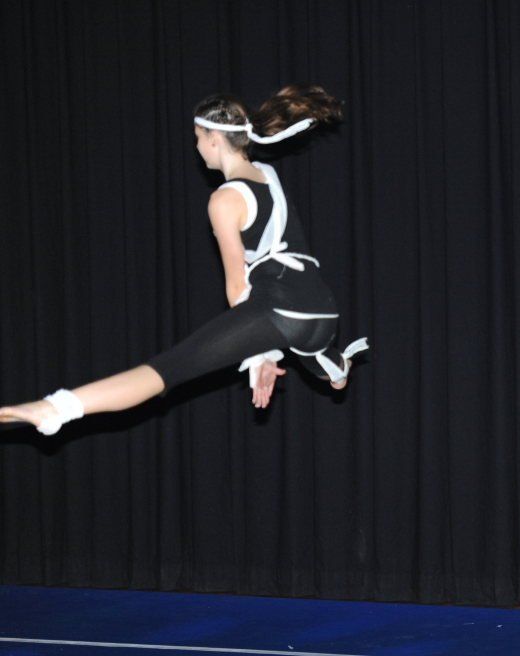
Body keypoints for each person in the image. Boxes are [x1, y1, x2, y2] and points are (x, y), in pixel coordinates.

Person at [1, 85, 366, 436]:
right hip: (322, 313)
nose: (197, 147)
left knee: (171, 368)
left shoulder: (224, 200)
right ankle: (337, 367)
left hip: (281, 310)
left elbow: (237, 285)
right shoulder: (268, 175)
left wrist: (259, 354)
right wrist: (265, 348)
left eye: (197, 137)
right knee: (327, 370)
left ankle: (53, 409)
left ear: (214, 138)